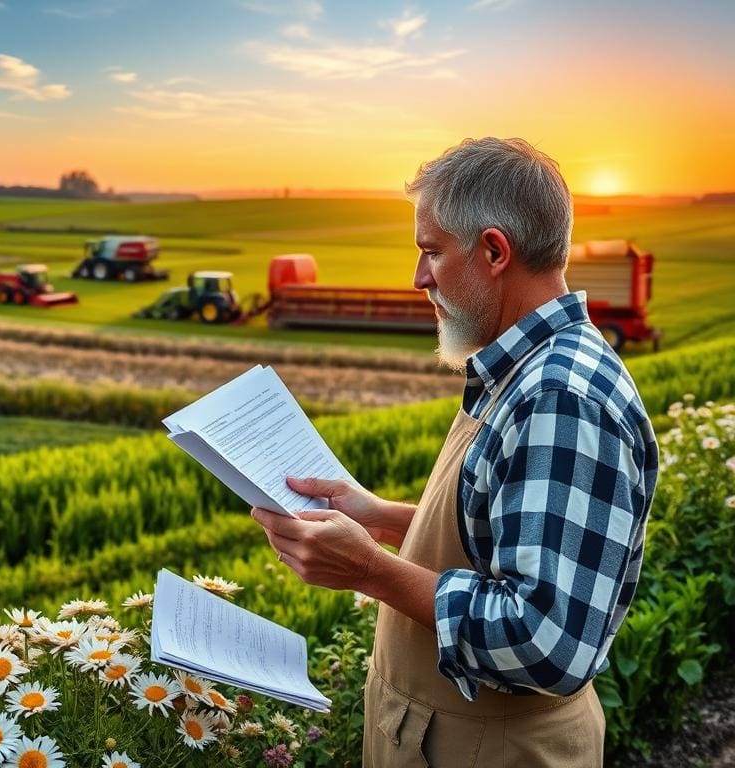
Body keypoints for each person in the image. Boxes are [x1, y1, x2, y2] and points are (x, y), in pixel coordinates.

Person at [251, 137, 658, 767]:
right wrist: (380, 517)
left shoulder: (557, 398)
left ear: (494, 251)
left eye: (431, 252)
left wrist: (368, 570)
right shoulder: (524, 369)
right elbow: (507, 543)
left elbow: (545, 638)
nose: (418, 278)